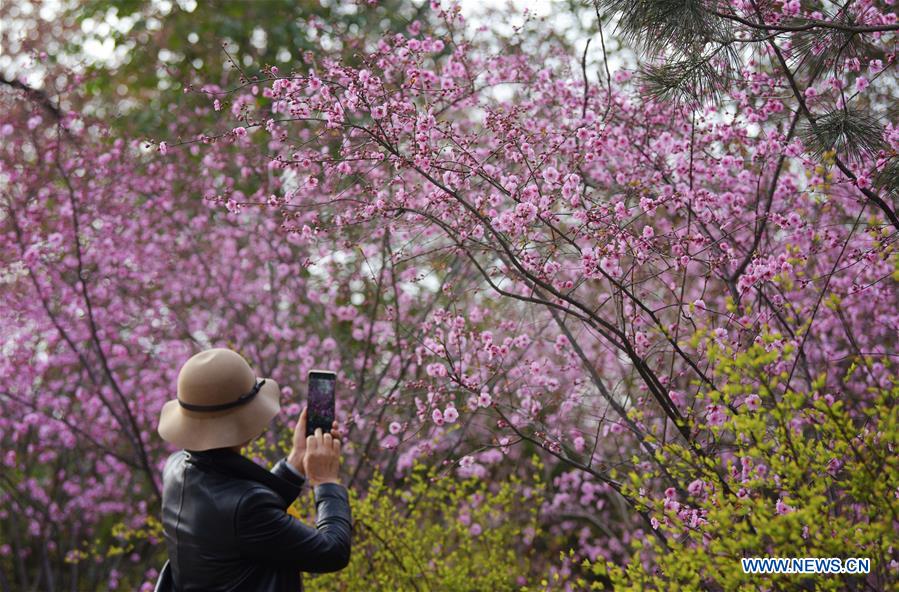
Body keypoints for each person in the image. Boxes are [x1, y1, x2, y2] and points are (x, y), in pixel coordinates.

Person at [153, 347, 351, 591]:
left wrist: (296, 460)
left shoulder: (176, 467)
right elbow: (332, 551)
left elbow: (242, 515)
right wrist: (325, 481)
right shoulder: (246, 508)